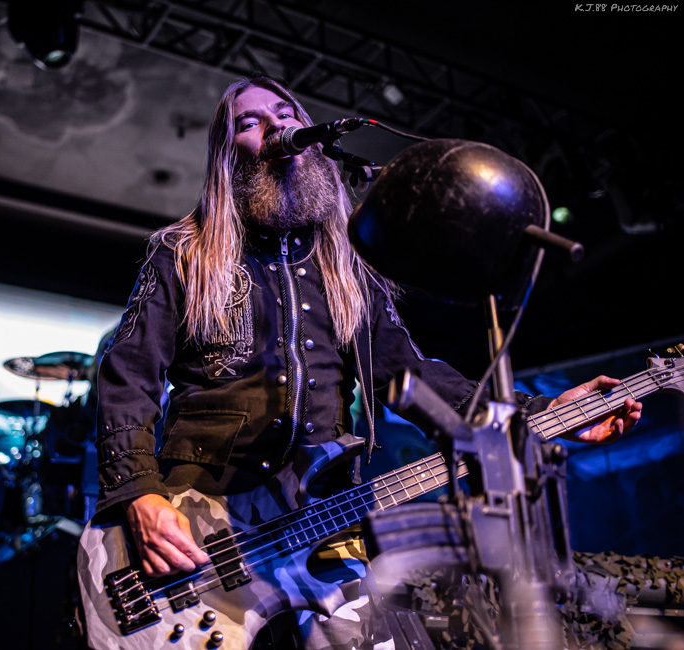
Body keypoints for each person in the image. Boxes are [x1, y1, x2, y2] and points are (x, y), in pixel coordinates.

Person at [89, 76, 643, 649]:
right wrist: (139, 494)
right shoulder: (184, 251)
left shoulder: (349, 264)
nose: (277, 125)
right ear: (226, 157)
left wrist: (545, 412)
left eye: (285, 112)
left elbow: (414, 377)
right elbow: (125, 380)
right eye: (250, 122)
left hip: (323, 517)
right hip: (201, 522)